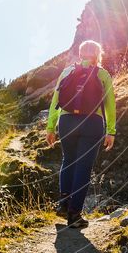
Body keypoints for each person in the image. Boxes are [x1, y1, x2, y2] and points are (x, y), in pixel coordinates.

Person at [45, 40, 116, 228]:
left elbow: (55, 102)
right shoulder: (103, 74)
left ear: (81, 53)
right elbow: (110, 105)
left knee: (68, 160)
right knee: (83, 166)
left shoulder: (67, 72)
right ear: (98, 54)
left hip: (67, 122)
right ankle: (74, 215)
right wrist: (111, 131)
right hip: (92, 123)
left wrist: (50, 128)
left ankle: (64, 204)